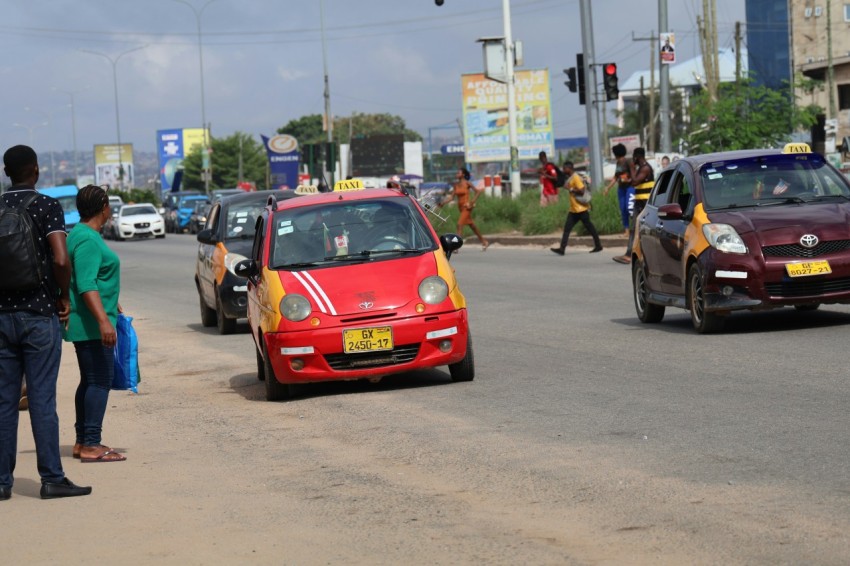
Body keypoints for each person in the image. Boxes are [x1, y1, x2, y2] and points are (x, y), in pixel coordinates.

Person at [0, 145, 92, 500]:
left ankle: (2, 483)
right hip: (38, 315)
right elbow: (60, 257)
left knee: (5, 401)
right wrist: (64, 297)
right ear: (35, 170)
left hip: (1, 317)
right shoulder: (46, 205)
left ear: (7, 172)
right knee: (41, 399)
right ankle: (51, 478)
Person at [64, 185, 126, 463]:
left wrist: (112, 304)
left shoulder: (78, 234)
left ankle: (82, 441)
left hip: (86, 320)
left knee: (89, 380)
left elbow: (87, 279)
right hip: (90, 323)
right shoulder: (88, 239)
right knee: (100, 381)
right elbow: (87, 283)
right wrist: (103, 320)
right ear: (103, 208)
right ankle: (91, 443)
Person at [550, 161, 603, 256]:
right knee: (567, 229)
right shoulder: (571, 178)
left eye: (564, 168)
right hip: (574, 209)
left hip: (581, 209)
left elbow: (582, 191)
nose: (563, 170)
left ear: (569, 168)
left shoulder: (575, 177)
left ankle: (598, 246)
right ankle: (562, 249)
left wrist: (570, 189)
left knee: (590, 228)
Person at [613, 147, 654, 264]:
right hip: (639, 204)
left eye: (634, 157)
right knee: (634, 229)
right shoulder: (641, 168)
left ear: (637, 157)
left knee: (645, 230)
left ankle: (645, 256)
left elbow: (635, 181)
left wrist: (631, 168)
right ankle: (629, 254)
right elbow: (633, 181)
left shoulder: (645, 168)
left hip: (646, 205)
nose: (633, 159)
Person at [439, 167, 489, 251]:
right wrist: (443, 203)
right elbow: (451, 198)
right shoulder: (456, 186)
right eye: (457, 173)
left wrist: (471, 202)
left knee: (459, 224)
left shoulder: (467, 183)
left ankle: (456, 246)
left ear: (463, 174)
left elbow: (478, 191)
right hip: (461, 208)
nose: (457, 174)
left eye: (458, 173)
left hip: (467, 207)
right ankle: (484, 241)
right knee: (472, 226)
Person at [602, 143, 633, 237]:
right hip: (621, 189)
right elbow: (616, 177)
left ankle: (635, 228)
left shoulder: (628, 161)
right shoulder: (618, 163)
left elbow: (633, 174)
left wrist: (629, 179)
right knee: (623, 209)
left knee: (630, 208)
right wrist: (608, 187)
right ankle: (626, 231)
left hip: (630, 187)